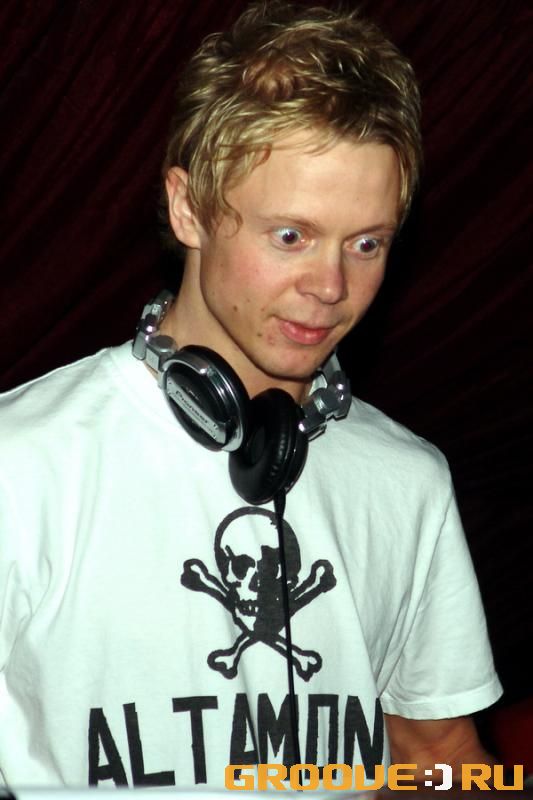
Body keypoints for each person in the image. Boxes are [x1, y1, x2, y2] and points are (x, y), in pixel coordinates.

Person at [0, 0, 502, 790]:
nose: (330, 286)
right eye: (290, 236)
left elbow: (436, 757)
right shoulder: (23, 466)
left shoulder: (406, 480)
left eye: (365, 243)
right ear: (188, 208)